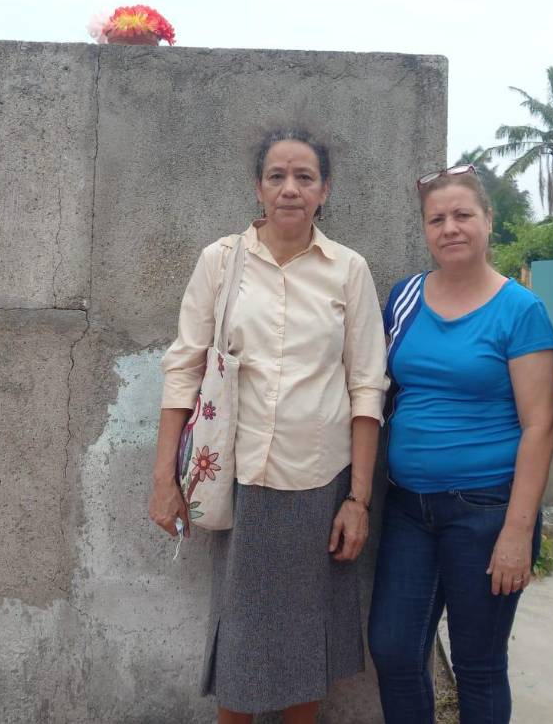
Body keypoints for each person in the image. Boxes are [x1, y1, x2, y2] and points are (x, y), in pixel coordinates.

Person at [148, 127, 389, 724]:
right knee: (242, 649)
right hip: (240, 480)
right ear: (258, 187)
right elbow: (184, 366)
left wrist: (358, 499)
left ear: (324, 190)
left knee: (305, 648)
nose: (290, 189)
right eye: (277, 176)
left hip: (319, 484)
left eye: (304, 177)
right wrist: (163, 478)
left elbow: (367, 386)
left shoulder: (348, 270)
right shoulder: (222, 261)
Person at [368, 164, 553, 723]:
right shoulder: (404, 297)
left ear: (488, 222)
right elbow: (376, 385)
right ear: (425, 229)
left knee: (478, 663)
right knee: (395, 650)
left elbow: (541, 424)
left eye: (462, 215)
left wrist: (518, 533)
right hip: (407, 507)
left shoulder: (519, 310)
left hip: (487, 511)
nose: (450, 228)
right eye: (437, 219)